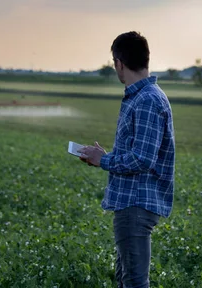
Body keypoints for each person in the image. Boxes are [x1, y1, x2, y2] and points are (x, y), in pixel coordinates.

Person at [78, 31, 175, 288]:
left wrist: (104, 161)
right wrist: (103, 156)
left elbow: (143, 159)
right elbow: (139, 153)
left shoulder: (146, 100)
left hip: (136, 204)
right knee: (125, 279)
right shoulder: (145, 96)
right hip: (133, 202)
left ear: (119, 63)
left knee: (133, 282)